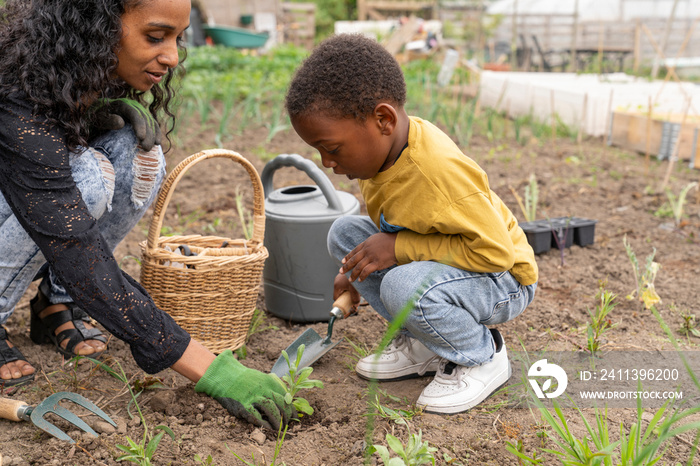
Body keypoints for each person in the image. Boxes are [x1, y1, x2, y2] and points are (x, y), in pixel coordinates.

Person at [0, 0, 294, 430]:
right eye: (155, 37)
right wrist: (211, 369)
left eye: (178, 37)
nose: (172, 56)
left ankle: (56, 305)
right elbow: (73, 245)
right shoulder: (16, 96)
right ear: (96, 26)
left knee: (139, 155)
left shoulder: (77, 74)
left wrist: (98, 113)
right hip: (34, 209)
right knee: (89, 177)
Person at [285, 34, 538, 413]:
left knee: (404, 284)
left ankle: (482, 356)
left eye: (332, 148)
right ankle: (424, 342)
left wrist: (397, 249)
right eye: (318, 151)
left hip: (503, 280)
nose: (326, 162)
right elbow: (398, 226)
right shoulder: (380, 157)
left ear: (383, 119)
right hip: (455, 266)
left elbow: (495, 253)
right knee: (345, 234)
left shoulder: (437, 172)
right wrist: (355, 271)